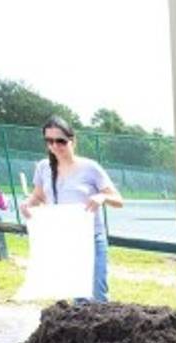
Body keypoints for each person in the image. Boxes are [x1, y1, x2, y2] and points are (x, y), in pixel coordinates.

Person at [20, 116, 123, 302]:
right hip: (65, 237)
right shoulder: (43, 168)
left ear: (72, 141)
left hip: (91, 237)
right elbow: (38, 196)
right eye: (49, 141)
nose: (55, 146)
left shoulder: (90, 168)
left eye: (60, 141)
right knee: (79, 295)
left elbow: (118, 200)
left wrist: (102, 197)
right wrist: (28, 203)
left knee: (97, 294)